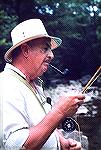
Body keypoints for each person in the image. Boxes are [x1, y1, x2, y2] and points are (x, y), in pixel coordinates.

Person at [0, 19, 85, 150]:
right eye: (45, 48)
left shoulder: (34, 84)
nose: (51, 55)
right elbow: (16, 146)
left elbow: (41, 125)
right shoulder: (6, 85)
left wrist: (62, 142)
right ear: (25, 50)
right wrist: (60, 111)